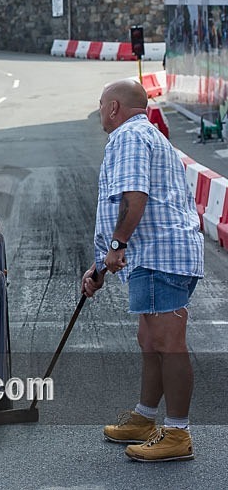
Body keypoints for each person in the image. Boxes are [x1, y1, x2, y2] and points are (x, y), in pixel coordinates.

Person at [82, 79, 204, 463]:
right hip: (155, 254)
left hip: (159, 255)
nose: (100, 111)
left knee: (168, 344)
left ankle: (178, 433)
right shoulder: (146, 135)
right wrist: (101, 264)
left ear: (115, 107)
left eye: (102, 105)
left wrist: (116, 247)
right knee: (150, 342)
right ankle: (145, 418)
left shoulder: (129, 137)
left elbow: (135, 197)